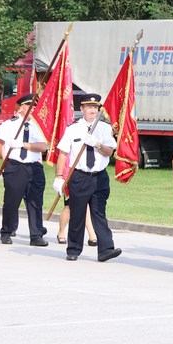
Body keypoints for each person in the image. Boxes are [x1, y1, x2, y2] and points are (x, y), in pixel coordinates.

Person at [53, 93, 121, 263]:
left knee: (99, 213)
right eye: (89, 107)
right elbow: (63, 153)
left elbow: (109, 152)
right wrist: (59, 176)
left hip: (99, 177)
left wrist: (97, 144)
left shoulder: (104, 128)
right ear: (81, 109)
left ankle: (105, 249)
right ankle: (73, 249)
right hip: (80, 177)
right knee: (77, 213)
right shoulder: (73, 128)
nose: (93, 110)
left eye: (95, 107)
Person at [0, 93, 49, 246]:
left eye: (34, 106)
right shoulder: (9, 125)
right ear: (21, 107)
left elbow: (44, 146)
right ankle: (7, 231)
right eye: (29, 105)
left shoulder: (38, 126)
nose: (32, 108)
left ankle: (36, 235)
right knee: (11, 201)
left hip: (34, 167)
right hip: (15, 166)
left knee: (35, 202)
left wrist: (24, 145)